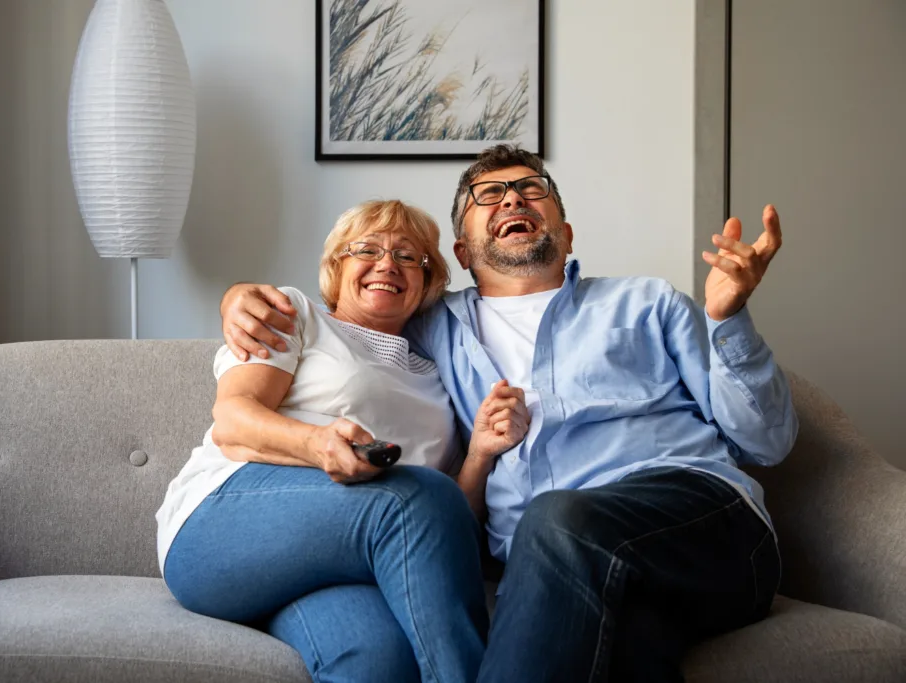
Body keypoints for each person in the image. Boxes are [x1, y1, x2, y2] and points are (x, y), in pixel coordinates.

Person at [220, 144, 798, 682]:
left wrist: (727, 318)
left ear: (566, 235)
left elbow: (766, 442)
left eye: (530, 189)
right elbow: (346, 322)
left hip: (700, 526)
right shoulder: (427, 330)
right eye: (489, 196)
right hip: (569, 575)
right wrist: (241, 297)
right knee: (627, 650)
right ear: (462, 252)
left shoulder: (646, 302)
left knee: (556, 519)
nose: (513, 200)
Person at [156, 199, 530, 683]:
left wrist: (478, 452)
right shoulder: (295, 314)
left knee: (379, 662)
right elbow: (233, 420)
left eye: (407, 256)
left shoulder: (436, 378)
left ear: (428, 280)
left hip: (332, 563)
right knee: (412, 499)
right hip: (218, 528)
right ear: (336, 266)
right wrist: (318, 445)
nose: (387, 264)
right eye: (367, 250)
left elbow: (443, 524)